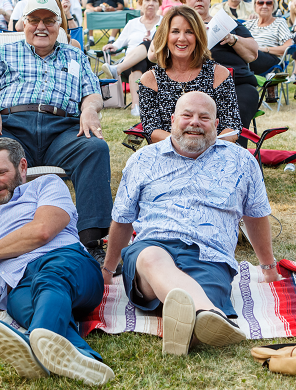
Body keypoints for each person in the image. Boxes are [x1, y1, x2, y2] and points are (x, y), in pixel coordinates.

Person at [103, 91, 278, 356]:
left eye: (204, 117)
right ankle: (206, 312)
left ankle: (189, 327)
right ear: (173, 120)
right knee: (151, 258)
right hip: (153, 250)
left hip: (210, 258)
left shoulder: (241, 161)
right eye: (187, 115)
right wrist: (108, 268)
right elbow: (123, 219)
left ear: (216, 124)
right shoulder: (144, 160)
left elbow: (255, 215)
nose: (194, 122)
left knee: (195, 297)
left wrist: (268, 266)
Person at [0, 138, 114, 385]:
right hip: (19, 285)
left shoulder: (47, 185)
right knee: (25, 306)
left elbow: (42, 231)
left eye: (1, 172)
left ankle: (29, 346)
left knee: (49, 281)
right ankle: (86, 359)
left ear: (22, 167)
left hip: (67, 264)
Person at [0, 0, 113, 267]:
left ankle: (91, 240)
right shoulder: (3, 53)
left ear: (59, 25)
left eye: (49, 21)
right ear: (23, 23)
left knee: (94, 148)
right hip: (13, 128)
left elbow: (93, 95)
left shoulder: (75, 56)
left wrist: (89, 109)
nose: (41, 27)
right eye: (34, 19)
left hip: (62, 130)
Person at [171, 0, 259, 145]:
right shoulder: (176, 28)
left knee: (243, 101)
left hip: (237, 83)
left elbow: (252, 54)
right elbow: (155, 55)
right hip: (192, 85)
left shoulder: (225, 23)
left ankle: (233, 155)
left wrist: (232, 39)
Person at [139, 5, 243, 144]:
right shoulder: (150, 79)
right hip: (169, 153)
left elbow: (232, 125)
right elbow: (151, 130)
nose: (182, 38)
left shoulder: (219, 74)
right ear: (165, 35)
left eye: (189, 32)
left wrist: (205, 148)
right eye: (175, 31)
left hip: (213, 151)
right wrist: (185, 146)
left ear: (198, 36)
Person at [101, 0, 163, 116]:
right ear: (140, 3)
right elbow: (118, 44)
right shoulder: (132, 23)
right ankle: (136, 106)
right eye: (147, 0)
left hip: (156, 62)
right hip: (131, 62)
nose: (150, 3)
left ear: (159, 4)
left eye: (154, 0)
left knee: (148, 43)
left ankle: (117, 69)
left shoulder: (165, 23)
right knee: (138, 62)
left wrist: (152, 43)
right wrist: (112, 47)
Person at [244, 0, 294, 101]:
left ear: (273, 6)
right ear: (255, 5)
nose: (264, 6)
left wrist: (264, 49)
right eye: (260, 3)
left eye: (269, 3)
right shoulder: (249, 24)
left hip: (270, 60)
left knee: (249, 54)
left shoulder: (279, 22)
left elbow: (288, 47)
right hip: (249, 57)